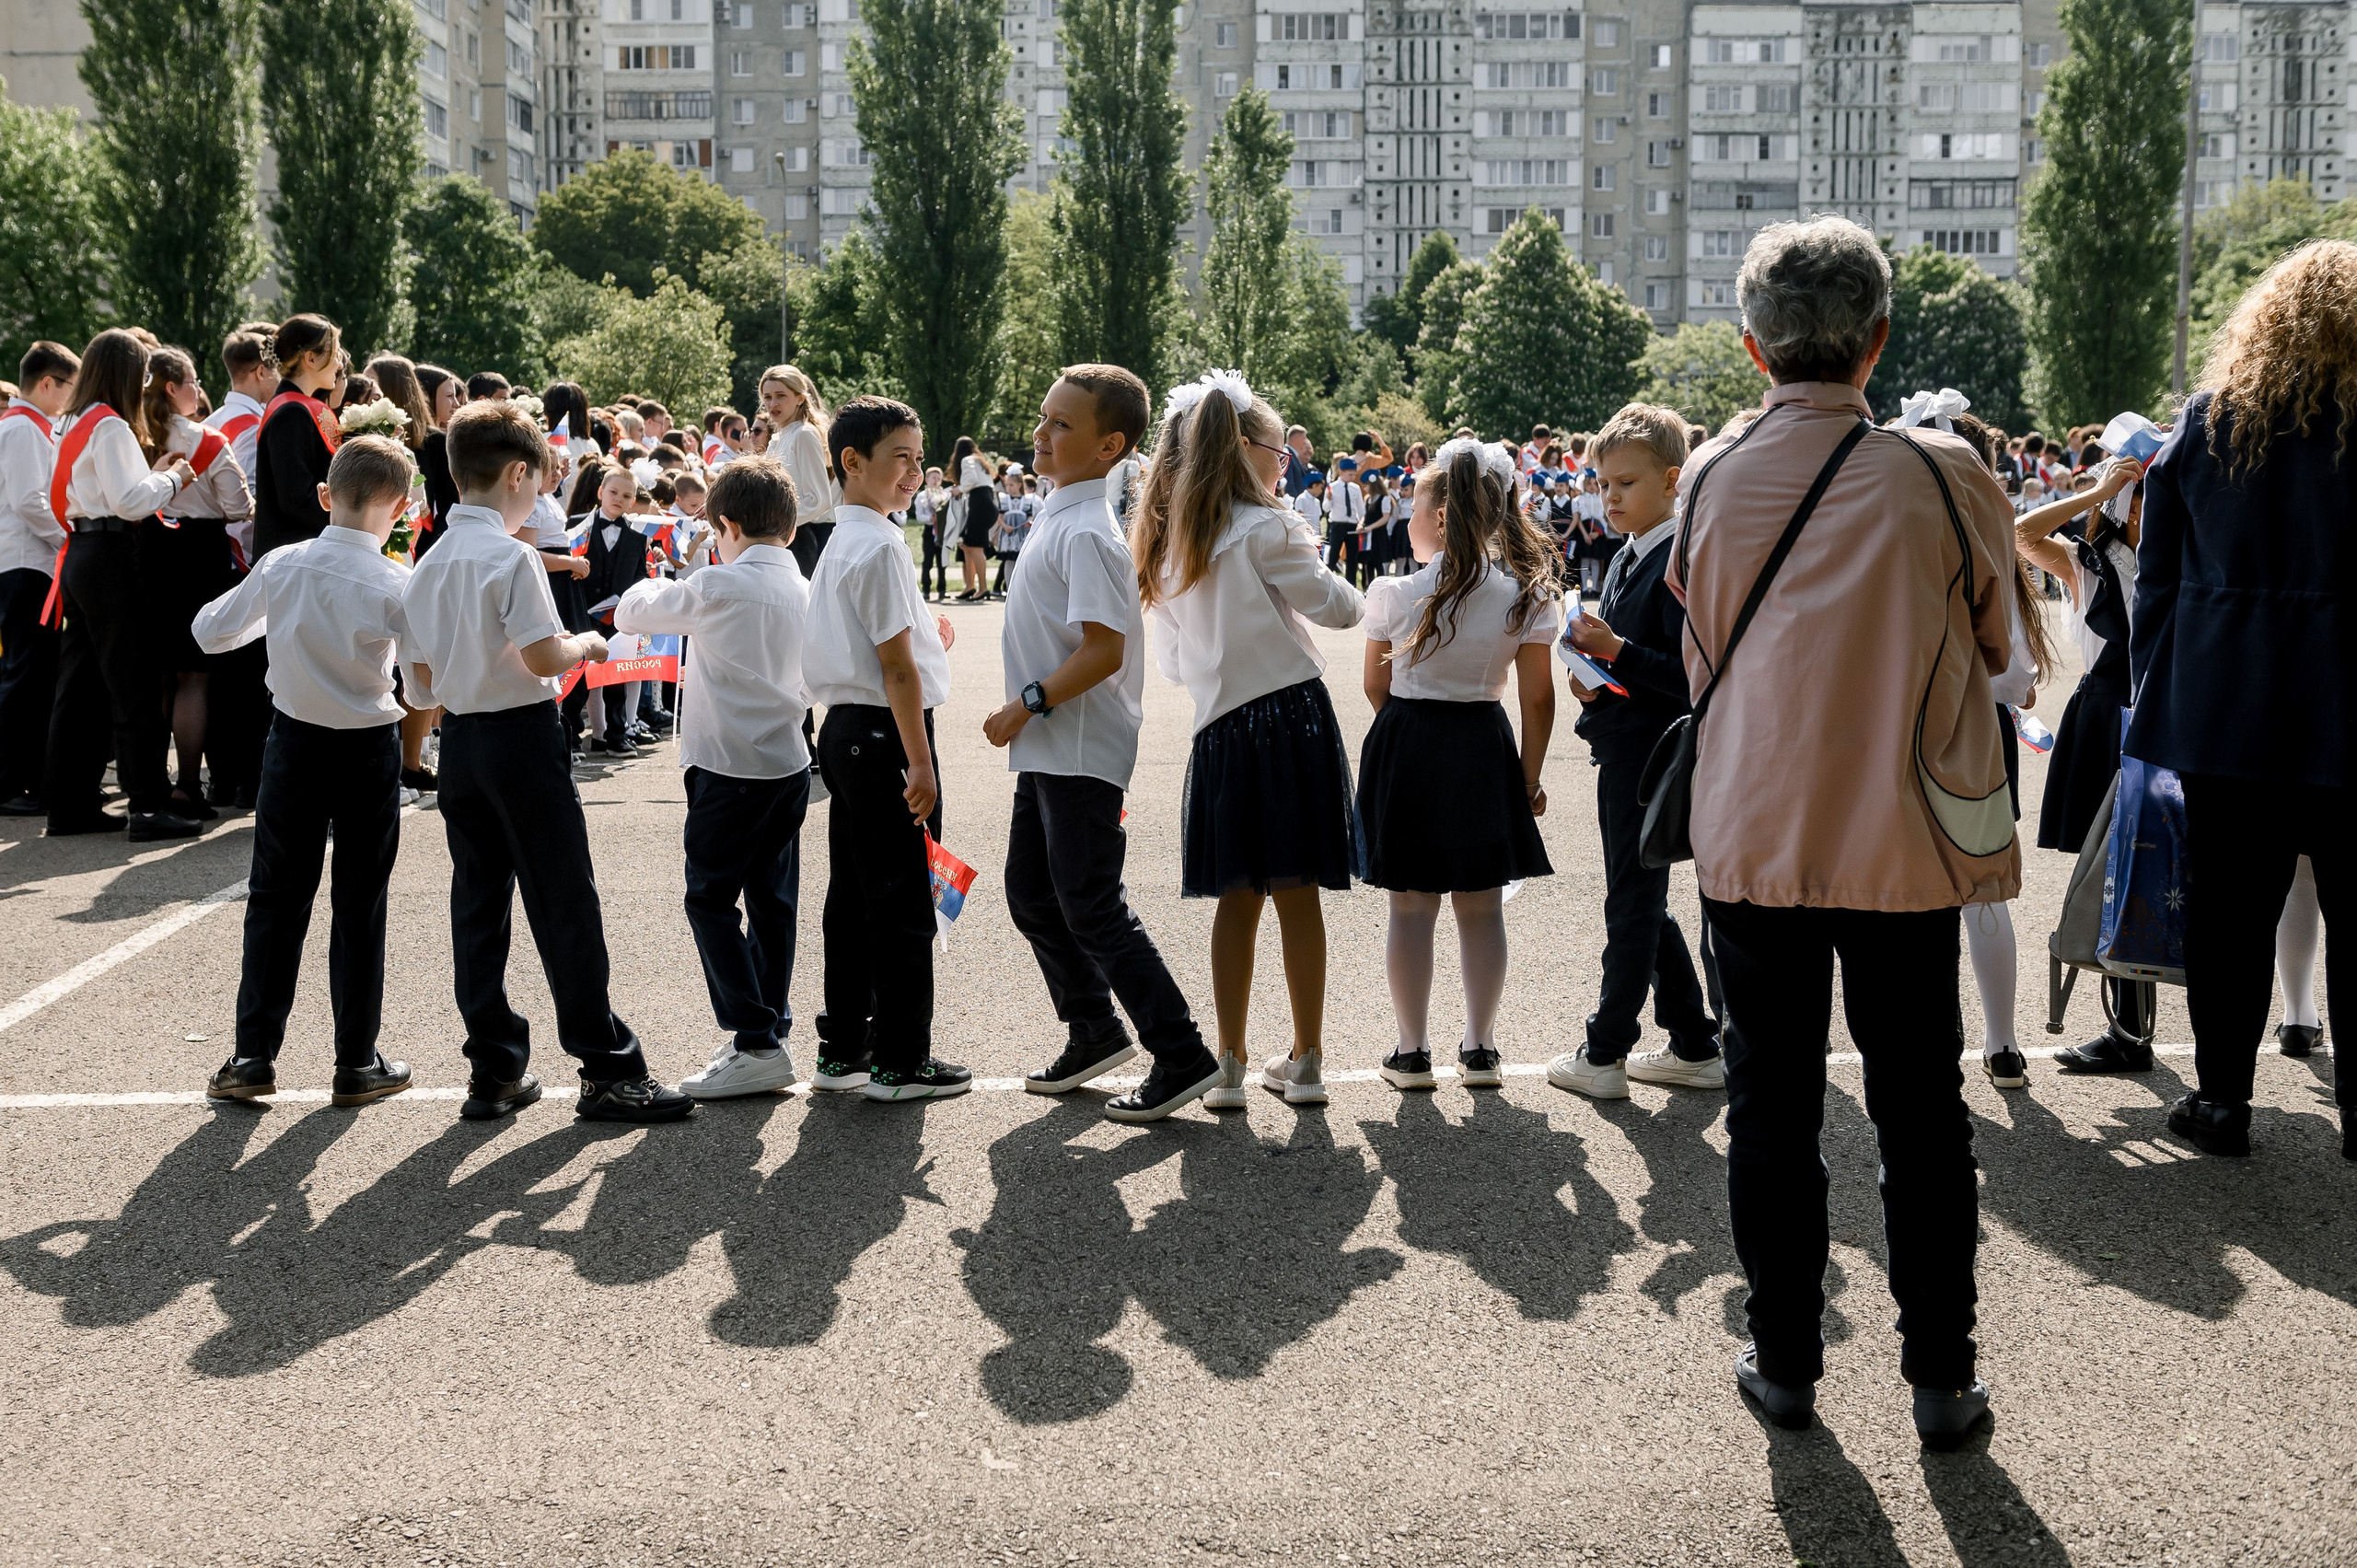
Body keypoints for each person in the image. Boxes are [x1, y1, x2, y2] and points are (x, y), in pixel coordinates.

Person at [1671, 217, 2014, 1448]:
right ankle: (1941, 1377)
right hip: (1903, 833)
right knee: (1921, 1106)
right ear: (1877, 340)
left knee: (1771, 1107)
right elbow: (1995, 639)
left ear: (1755, 350)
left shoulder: (1707, 474)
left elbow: (1699, 637)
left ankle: (1787, 1358)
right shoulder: (1939, 472)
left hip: (1755, 830)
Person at [401, 399, 691, 1125]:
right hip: (521, 738)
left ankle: (494, 1065)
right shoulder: (513, 554)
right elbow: (541, 654)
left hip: (461, 740)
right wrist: (587, 646)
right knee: (563, 899)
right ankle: (606, 1065)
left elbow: (422, 683)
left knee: (478, 905)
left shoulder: (428, 562)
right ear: (521, 474)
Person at [2127, 240, 2354, 1160]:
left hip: (2228, 708)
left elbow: (2157, 582)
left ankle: (2222, 1101)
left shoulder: (2208, 422)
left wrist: (2155, 697)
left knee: (2227, 916)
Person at [982, 365, 1222, 1122]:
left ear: (1108, 444)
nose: (1041, 433)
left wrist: (1027, 703)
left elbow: (1103, 651)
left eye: (1061, 424)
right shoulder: (1063, 513)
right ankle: (1092, 1030)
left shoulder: (1088, 531)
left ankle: (1180, 1051)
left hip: (1078, 745)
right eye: (1044, 417)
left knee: (1090, 904)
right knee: (1032, 892)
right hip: (1052, 747)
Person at [1132, 371, 1364, 1107]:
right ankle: (1306, 1059)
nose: (1285, 460)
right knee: (1298, 896)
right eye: (1277, 447)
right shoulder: (1267, 527)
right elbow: (1336, 608)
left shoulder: (1171, 544)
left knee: (1237, 897)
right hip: (1290, 716)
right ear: (1244, 449)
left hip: (1222, 730)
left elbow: (1173, 658)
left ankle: (1228, 1061)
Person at [191, 435, 418, 1108]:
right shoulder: (395, 580)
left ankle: (253, 1051)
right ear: (401, 508)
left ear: (324, 496)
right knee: (359, 902)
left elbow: (211, 630)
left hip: (293, 741)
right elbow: (423, 672)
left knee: (275, 897)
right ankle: (355, 1060)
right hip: (368, 745)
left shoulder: (284, 563)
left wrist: (280, 621)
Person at [1358, 436, 1558, 1092]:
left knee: (1411, 908)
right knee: (1481, 907)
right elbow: (1537, 696)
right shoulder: (1523, 595)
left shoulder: (1392, 590)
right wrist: (1528, 778)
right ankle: (1480, 1049)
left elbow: (1374, 687)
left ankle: (1411, 1053)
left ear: (1439, 515)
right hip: (1481, 743)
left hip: (1410, 742)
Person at [615, 455, 813, 1099]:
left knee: (709, 898)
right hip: (786, 762)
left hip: (727, 766)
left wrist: (670, 567)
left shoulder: (717, 584)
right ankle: (769, 1027)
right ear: (787, 526)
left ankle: (754, 1034)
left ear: (725, 524)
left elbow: (633, 612)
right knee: (773, 901)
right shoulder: (805, 587)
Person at [1546, 404, 1725, 1098]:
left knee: (1631, 898)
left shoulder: (1679, 559)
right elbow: (1633, 667)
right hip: (1624, 744)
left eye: (1624, 483)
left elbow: (1689, 675)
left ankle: (1605, 1049)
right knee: (1641, 893)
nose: (1609, 496)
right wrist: (1595, 678)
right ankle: (1693, 1039)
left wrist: (1614, 652)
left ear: (1672, 480)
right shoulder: (1629, 552)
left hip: (1653, 756)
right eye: (1602, 482)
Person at [805, 395, 970, 1103]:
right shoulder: (876, 543)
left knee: (853, 893)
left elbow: (892, 647)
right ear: (853, 462)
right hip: (884, 733)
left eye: (918, 456)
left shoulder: (852, 536)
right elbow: (895, 670)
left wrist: (927, 632)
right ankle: (902, 1059)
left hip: (850, 730)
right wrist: (923, 762)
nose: (915, 471)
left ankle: (845, 1046)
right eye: (899, 457)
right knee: (902, 898)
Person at [2015, 452, 2152, 1070]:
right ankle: (2128, 1029)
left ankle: (2134, 1030)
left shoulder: (2177, 556)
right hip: (2105, 717)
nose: (2158, 503)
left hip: (2157, 713)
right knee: (2111, 870)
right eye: (2145, 494)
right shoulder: (2089, 564)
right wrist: (2096, 489)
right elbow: (2021, 534)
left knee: (2151, 868)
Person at [43, 329, 202, 841]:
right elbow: (132, 501)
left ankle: (68, 804)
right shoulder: (109, 425)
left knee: (80, 687)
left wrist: (150, 478)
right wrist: (174, 478)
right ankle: (150, 805)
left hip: (82, 553)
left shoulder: (69, 420)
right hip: (109, 556)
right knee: (133, 683)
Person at [144, 346, 253, 819]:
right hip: (199, 555)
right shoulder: (205, 439)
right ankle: (189, 783)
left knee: (160, 675)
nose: (199, 390)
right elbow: (238, 507)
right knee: (195, 676)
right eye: (192, 382)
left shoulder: (134, 435)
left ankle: (152, 784)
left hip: (149, 550)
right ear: (173, 388)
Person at [0, 342, 74, 816]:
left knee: (31, 676)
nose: (71, 397)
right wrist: (67, 538)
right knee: (24, 677)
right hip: (28, 562)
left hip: (28, 562)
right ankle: (8, 783)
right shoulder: (25, 427)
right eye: (69, 387)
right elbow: (30, 501)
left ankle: (23, 779)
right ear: (47, 383)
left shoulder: (26, 425)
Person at [572, 464, 657, 758]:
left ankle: (616, 734)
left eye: (626, 495)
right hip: (581, 611)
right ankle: (572, 735)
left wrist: (631, 602)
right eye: (613, 492)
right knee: (577, 676)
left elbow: (638, 575)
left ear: (633, 501)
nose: (618, 499)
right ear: (599, 492)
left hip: (617, 616)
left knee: (617, 674)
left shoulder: (637, 535)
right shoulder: (577, 524)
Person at [251, 314, 343, 560]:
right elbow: (297, 500)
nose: (340, 364)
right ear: (310, 358)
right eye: (335, 353)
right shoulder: (292, 413)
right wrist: (351, 519)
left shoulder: (293, 408)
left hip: (299, 554)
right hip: (295, 558)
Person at [760, 366, 835, 578]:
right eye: (768, 397)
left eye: (781, 396)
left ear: (800, 398)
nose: (773, 404)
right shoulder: (779, 437)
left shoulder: (804, 434)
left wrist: (777, 527)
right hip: (779, 539)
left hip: (798, 540)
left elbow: (820, 499)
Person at [208, 323, 276, 484]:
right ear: (261, 372)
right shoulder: (252, 426)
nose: (279, 377)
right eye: (274, 368)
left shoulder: (213, 419)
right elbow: (249, 488)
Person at [950, 435, 997, 601]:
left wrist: (959, 489)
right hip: (987, 505)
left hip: (980, 506)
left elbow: (971, 480)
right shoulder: (980, 461)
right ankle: (970, 586)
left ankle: (982, 588)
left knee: (975, 547)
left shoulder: (966, 460)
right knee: (966, 545)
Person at [914, 465, 948, 600]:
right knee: (928, 561)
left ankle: (942, 589)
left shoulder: (944, 495)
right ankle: (926, 589)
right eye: (934, 477)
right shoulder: (922, 496)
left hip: (941, 531)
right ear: (927, 479)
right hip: (929, 531)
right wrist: (930, 518)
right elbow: (918, 516)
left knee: (942, 562)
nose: (936, 481)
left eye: (939, 478)